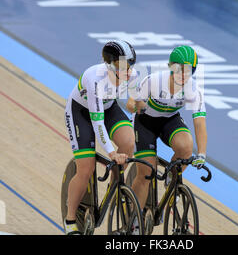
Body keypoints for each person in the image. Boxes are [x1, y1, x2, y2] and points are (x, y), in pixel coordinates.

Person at [63, 40, 141, 235]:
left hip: (108, 107)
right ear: (110, 65)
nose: (128, 71)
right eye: (123, 66)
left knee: (129, 142)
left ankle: (116, 188)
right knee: (86, 168)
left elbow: (134, 110)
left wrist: (126, 142)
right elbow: (97, 123)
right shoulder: (94, 79)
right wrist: (112, 153)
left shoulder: (132, 76)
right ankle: (70, 219)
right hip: (81, 113)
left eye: (130, 65)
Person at [127, 45, 207, 213]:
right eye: (179, 69)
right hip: (145, 122)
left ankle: (172, 176)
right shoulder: (154, 80)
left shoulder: (194, 90)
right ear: (171, 67)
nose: (184, 75)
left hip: (169, 121)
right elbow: (130, 103)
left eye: (189, 70)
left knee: (186, 147)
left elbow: (199, 123)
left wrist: (201, 154)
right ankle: (134, 221)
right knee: (146, 173)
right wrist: (137, 105)